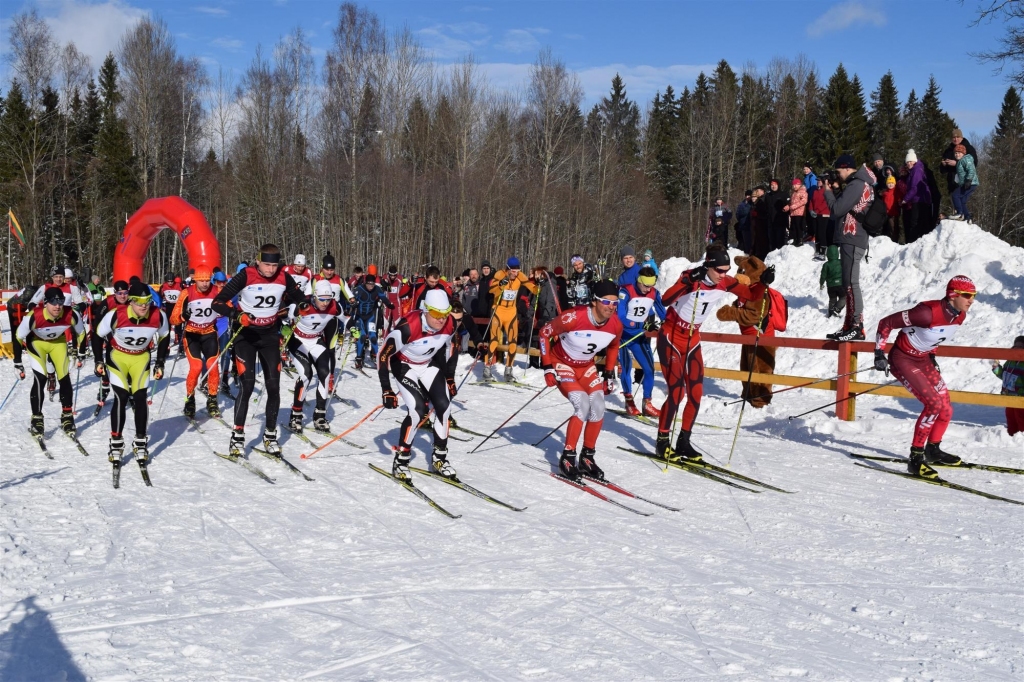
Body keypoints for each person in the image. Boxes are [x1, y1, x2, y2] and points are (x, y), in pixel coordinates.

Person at [655, 244, 772, 459]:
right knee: (677, 393)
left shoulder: (724, 282)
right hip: (671, 337)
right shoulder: (691, 277)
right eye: (719, 270)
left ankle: (683, 441)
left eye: (726, 270)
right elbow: (665, 300)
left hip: (692, 339)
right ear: (708, 266)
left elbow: (750, 294)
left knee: (696, 394)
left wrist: (763, 283)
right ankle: (662, 441)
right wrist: (687, 282)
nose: (723, 275)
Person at [873, 276, 976, 477]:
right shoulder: (926, 313)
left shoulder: (960, 316)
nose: (971, 300)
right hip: (903, 359)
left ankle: (933, 450)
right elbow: (886, 322)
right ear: (952, 295)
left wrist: (932, 355)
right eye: (966, 295)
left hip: (923, 359)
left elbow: (936, 337)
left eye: (974, 295)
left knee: (946, 407)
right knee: (933, 404)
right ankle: (916, 458)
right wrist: (879, 353)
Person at [212, 244, 306, 457]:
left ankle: (270, 435)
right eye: (266, 265)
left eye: (274, 265)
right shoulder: (246, 275)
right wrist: (236, 315)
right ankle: (237, 436)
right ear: (257, 261)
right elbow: (217, 303)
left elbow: (300, 297)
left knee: (274, 386)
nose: (271, 270)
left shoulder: (283, 276)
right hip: (246, 335)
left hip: (269, 336)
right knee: (247, 385)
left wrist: (302, 305)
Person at [539, 279, 624, 480]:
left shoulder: (615, 324)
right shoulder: (573, 318)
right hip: (562, 364)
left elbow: (613, 346)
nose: (611, 307)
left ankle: (587, 457)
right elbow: (544, 334)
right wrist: (547, 367)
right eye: (606, 301)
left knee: (599, 406)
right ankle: (568, 457)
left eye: (615, 303)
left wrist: (608, 373)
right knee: (583, 404)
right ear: (594, 301)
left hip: (586, 367)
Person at [379, 289, 458, 482]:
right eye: (437, 314)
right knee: (417, 410)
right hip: (403, 365)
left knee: (444, 407)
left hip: (427, 364)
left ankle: (439, 459)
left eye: (445, 313)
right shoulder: (408, 327)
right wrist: (387, 389)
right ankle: (401, 461)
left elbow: (450, 346)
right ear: (426, 310)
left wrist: (449, 377)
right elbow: (383, 355)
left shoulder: (450, 323)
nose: (441, 319)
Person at [96, 282, 169, 465]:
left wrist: (160, 362)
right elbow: (97, 335)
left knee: (140, 396)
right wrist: (98, 360)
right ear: (130, 301)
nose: (143, 306)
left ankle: (140, 441)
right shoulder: (116, 314)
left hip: (140, 358)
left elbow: (164, 336)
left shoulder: (158, 315)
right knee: (121, 396)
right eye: (138, 302)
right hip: (118, 357)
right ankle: (116, 442)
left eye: (147, 301)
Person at [17, 286, 86, 438]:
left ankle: (67, 416)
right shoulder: (34, 316)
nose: (57, 306)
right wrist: (17, 362)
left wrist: (81, 352)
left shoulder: (71, 314)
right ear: (45, 303)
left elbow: (81, 332)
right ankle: (37, 418)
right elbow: (18, 336)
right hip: (37, 343)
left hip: (58, 343)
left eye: (61, 302)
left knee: (64, 377)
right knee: (40, 378)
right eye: (53, 302)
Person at [823, 154, 875, 342]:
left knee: (851, 283)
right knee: (848, 283)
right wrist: (837, 190)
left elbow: (836, 210)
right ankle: (849, 325)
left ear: (846, 168)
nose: (837, 175)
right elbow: (846, 206)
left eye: (838, 171)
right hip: (853, 237)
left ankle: (856, 326)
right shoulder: (859, 184)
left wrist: (827, 192)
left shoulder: (857, 184)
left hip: (852, 236)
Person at [285, 280, 346, 434]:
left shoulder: (334, 306)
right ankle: (296, 414)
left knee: (325, 374)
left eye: (328, 299)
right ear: (314, 296)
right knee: (306, 375)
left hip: (316, 341)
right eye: (322, 299)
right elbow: (283, 315)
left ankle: (320, 415)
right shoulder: (303, 304)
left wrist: (352, 327)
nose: (325, 303)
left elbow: (346, 318)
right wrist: (284, 329)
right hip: (298, 341)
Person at [170, 267, 224, 419]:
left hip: (209, 333)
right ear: (195, 280)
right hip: (192, 334)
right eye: (201, 281)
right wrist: (183, 316)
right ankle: (190, 400)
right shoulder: (186, 293)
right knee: (197, 367)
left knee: (213, 366)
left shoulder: (217, 291)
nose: (205, 284)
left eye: (207, 280)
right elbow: (173, 319)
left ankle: (212, 400)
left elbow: (229, 307)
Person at [617, 266, 665, 417]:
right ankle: (629, 402)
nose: (647, 289)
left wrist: (667, 324)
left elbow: (662, 312)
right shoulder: (626, 291)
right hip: (622, 336)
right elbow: (620, 316)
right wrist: (641, 325)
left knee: (649, 369)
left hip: (639, 336)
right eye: (645, 285)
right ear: (638, 280)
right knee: (626, 367)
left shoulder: (654, 293)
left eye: (651, 286)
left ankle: (647, 404)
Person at [487, 257, 538, 382]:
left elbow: (533, 289)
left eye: (517, 271)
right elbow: (491, 290)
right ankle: (487, 369)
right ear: (508, 269)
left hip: (511, 312)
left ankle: (508, 371)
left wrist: (539, 284)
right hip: (498, 311)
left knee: (513, 342)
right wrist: (500, 285)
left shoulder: (520, 276)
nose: (516, 274)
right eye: (513, 271)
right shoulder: (500, 274)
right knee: (494, 340)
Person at [351, 274, 394, 368]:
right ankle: (359, 359)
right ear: (365, 283)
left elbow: (383, 298)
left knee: (373, 337)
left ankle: (377, 357)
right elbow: (350, 300)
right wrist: (352, 305)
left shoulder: (377, 289)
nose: (370, 286)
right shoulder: (359, 289)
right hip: (359, 317)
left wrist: (389, 304)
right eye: (369, 284)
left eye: (372, 284)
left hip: (370, 316)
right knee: (362, 336)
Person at [991, 335, 1024, 436]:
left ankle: (1022, 435)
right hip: (1008, 395)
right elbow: (1004, 375)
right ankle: (1012, 434)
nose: (1017, 348)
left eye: (1021, 347)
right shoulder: (1009, 361)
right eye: (1016, 346)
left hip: (1020, 397)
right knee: (1010, 415)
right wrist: (996, 367)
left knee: (1020, 416)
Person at [901, 149, 932, 244]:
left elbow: (914, 187)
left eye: (910, 161)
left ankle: (912, 242)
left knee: (915, 222)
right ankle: (919, 241)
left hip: (919, 199)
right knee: (920, 221)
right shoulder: (915, 169)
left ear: (914, 161)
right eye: (907, 162)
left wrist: (905, 199)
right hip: (920, 199)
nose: (909, 163)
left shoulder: (916, 170)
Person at [940, 128, 979, 201]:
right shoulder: (948, 150)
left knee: (962, 203)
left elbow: (974, 163)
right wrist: (944, 164)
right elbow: (942, 170)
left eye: (957, 137)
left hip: (965, 182)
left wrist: (957, 163)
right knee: (955, 202)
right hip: (952, 183)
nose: (955, 139)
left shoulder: (969, 148)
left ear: (962, 138)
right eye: (954, 137)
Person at [951, 144, 979, 222]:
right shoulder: (960, 161)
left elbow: (971, 170)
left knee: (955, 195)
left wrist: (969, 180)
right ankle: (967, 217)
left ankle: (959, 213)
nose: (957, 155)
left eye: (959, 153)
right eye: (956, 153)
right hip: (969, 183)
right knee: (962, 201)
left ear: (963, 153)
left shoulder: (965, 159)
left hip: (970, 183)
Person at [807, 175, 831, 260]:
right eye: (817, 180)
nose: (818, 182)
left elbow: (826, 203)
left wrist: (817, 211)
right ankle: (817, 250)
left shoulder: (827, 191)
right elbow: (811, 201)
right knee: (816, 232)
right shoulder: (815, 191)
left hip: (823, 214)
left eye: (819, 180)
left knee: (822, 233)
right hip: (815, 214)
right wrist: (811, 210)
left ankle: (822, 252)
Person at [159, 274, 183, 353]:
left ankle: (181, 346)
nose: (170, 283)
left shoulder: (179, 286)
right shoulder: (163, 287)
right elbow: (160, 296)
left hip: (177, 306)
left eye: (171, 281)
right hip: (168, 306)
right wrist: (160, 305)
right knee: (167, 327)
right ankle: (166, 346)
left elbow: (185, 295)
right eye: (168, 281)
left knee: (178, 326)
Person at [819, 245, 844, 318]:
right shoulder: (841, 262)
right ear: (837, 253)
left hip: (831, 286)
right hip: (840, 284)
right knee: (843, 298)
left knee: (832, 300)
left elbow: (823, 275)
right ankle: (836, 309)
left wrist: (821, 283)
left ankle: (830, 312)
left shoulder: (826, 265)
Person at [785, 178, 808, 244]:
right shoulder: (794, 193)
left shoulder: (803, 191)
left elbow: (804, 201)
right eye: (793, 185)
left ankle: (800, 240)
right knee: (794, 227)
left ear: (799, 184)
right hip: (793, 213)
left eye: (796, 185)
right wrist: (788, 207)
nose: (794, 186)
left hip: (800, 213)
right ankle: (795, 239)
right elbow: (791, 202)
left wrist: (794, 206)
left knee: (799, 227)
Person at [734, 190, 753, 254]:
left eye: (749, 195)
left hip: (750, 224)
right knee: (744, 239)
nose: (747, 197)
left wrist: (744, 213)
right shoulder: (741, 204)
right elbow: (737, 214)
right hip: (742, 224)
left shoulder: (752, 203)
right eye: (746, 195)